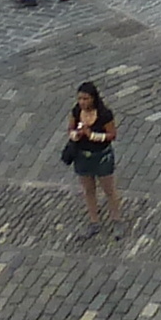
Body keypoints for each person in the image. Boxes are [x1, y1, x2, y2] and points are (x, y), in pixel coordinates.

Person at [59, 81, 123, 227]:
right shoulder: (76, 111)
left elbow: (111, 135)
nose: (82, 102)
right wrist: (76, 134)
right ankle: (94, 220)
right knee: (88, 189)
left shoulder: (104, 115)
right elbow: (70, 129)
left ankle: (116, 219)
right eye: (80, 98)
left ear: (93, 98)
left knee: (109, 189)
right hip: (82, 155)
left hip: (101, 156)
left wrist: (92, 135)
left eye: (85, 99)